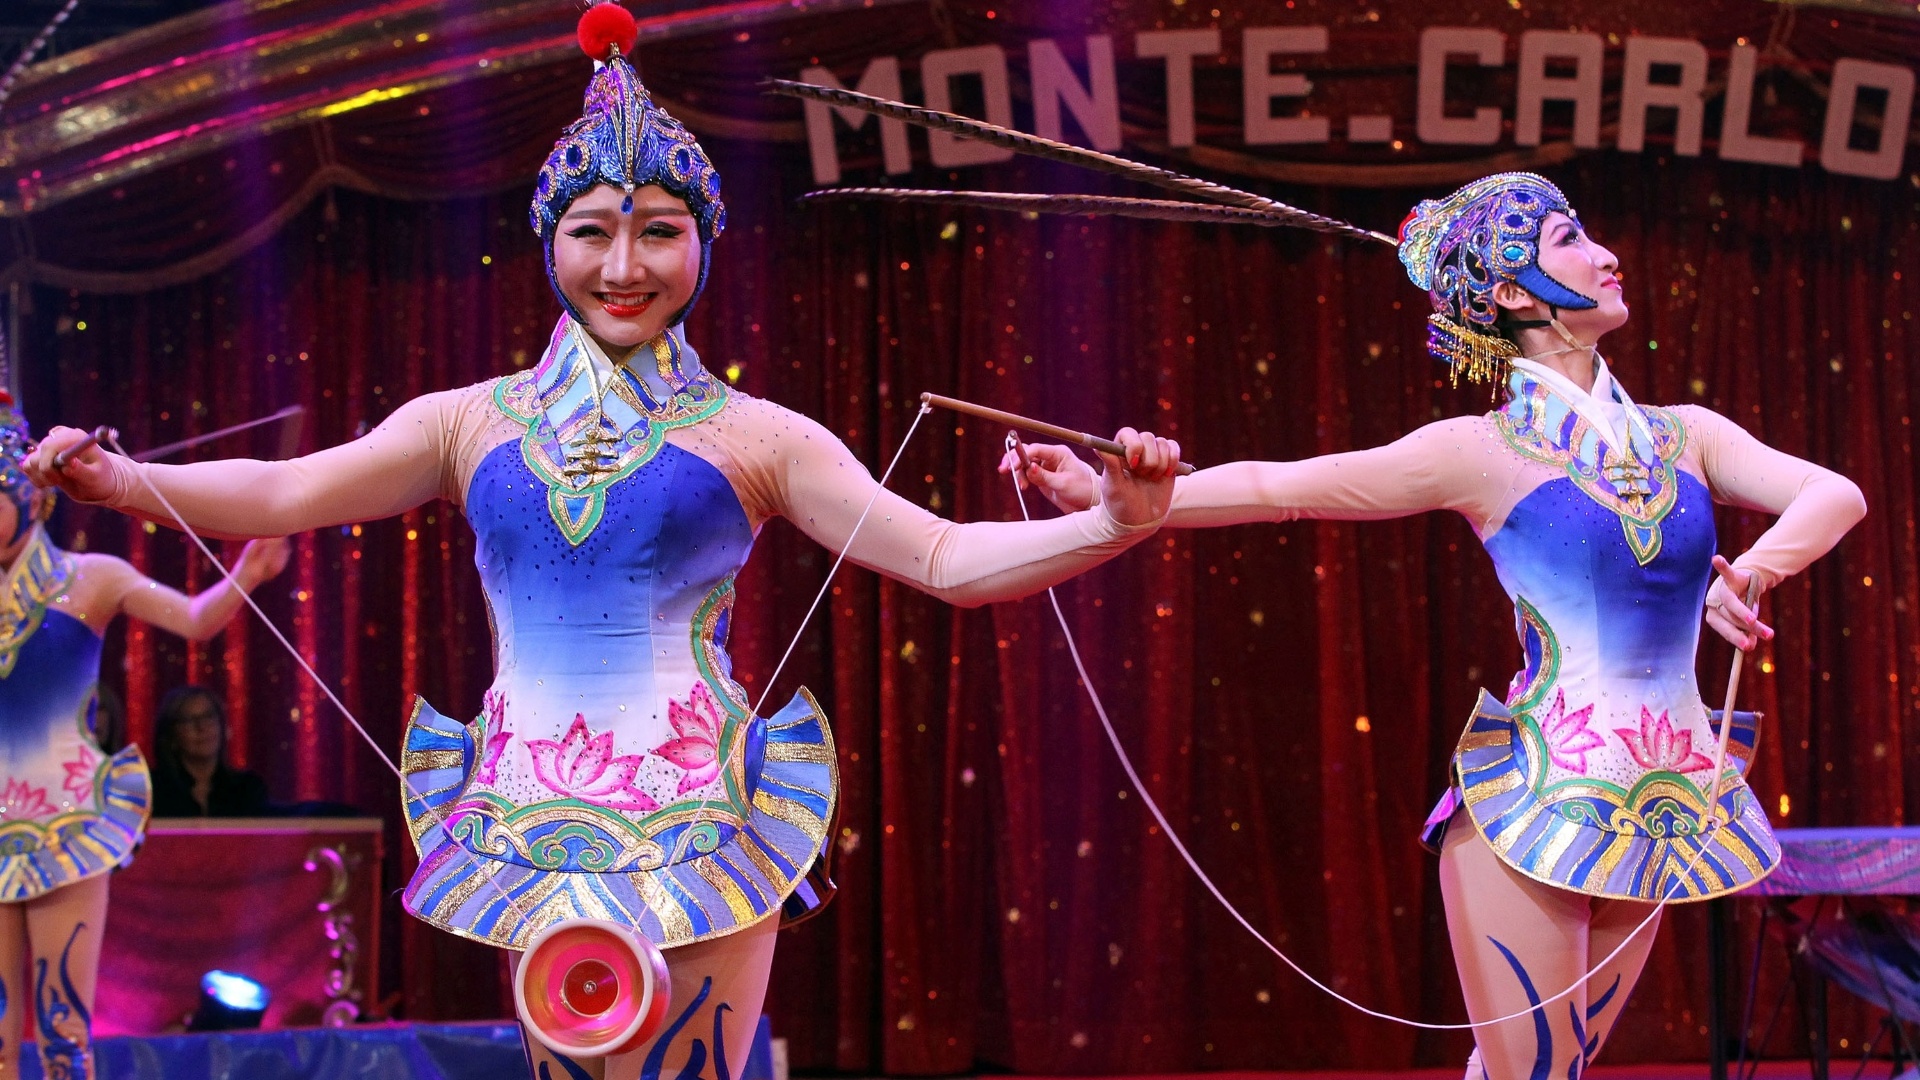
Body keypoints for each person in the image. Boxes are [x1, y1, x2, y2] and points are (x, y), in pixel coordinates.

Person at [24, 6, 1181, 1077]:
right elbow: (282, 491)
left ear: (704, 242)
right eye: (593, 232)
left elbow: (941, 561)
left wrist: (1110, 521)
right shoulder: (466, 424)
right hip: (535, 820)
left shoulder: (756, 435)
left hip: (707, 817)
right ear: (549, 241)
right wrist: (127, 480)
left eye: (660, 232)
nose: (625, 268)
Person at [1003, 173, 1865, 1077]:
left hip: (1663, 804)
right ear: (1511, 292)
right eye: (1571, 239)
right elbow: (1278, 489)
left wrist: (1757, 572)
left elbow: (1832, 492)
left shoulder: (1687, 436)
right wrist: (1111, 506)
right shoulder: (1480, 451)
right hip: (1536, 795)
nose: (1607, 255)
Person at [0, 390, 288, 1078]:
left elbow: (192, 618)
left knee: (64, 1028)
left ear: (35, 498)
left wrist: (246, 572)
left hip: (65, 823)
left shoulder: (89, 580)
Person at [151, 686, 271, 817]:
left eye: (208, 716)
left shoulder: (248, 789)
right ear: (171, 737)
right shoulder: (151, 791)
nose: (201, 727)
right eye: (188, 720)